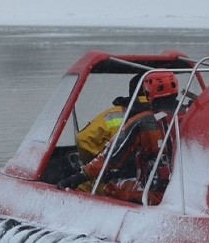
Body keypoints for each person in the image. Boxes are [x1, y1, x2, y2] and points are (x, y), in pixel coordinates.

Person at [58, 71, 181, 205]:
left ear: (149, 93)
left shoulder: (141, 122)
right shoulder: (189, 114)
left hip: (154, 192)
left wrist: (78, 177)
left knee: (107, 187)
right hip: (180, 189)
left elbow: (109, 157)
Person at [75, 74, 148, 164]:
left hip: (120, 173)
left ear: (133, 90)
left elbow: (83, 138)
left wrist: (100, 160)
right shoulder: (168, 111)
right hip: (159, 171)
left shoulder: (114, 113)